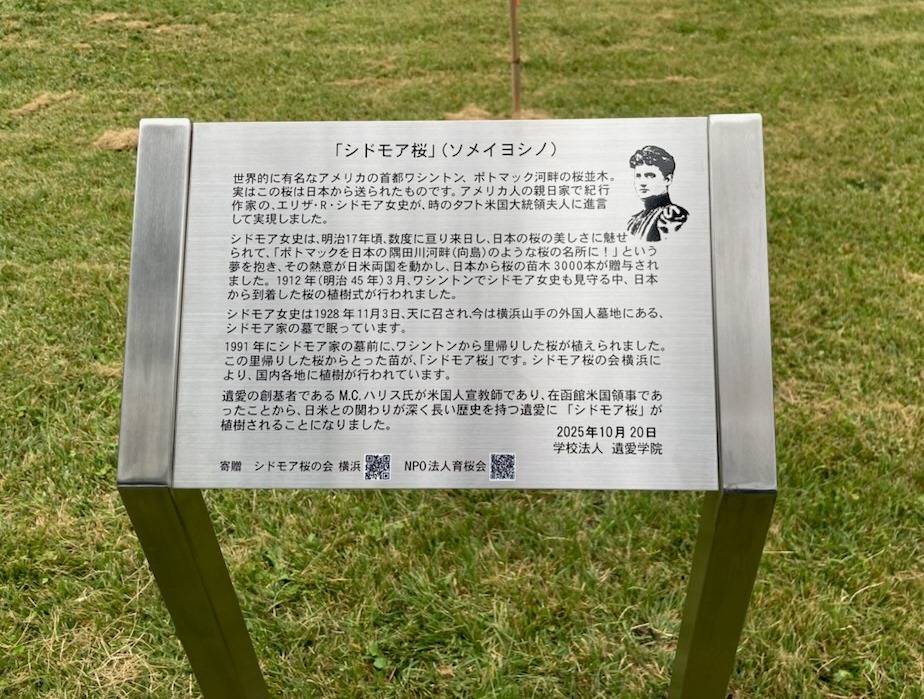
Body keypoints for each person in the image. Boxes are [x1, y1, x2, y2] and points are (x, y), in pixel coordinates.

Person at [626, 145, 689, 242]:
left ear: (667, 179)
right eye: (638, 176)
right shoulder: (634, 220)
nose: (642, 182)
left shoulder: (672, 216)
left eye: (650, 176)